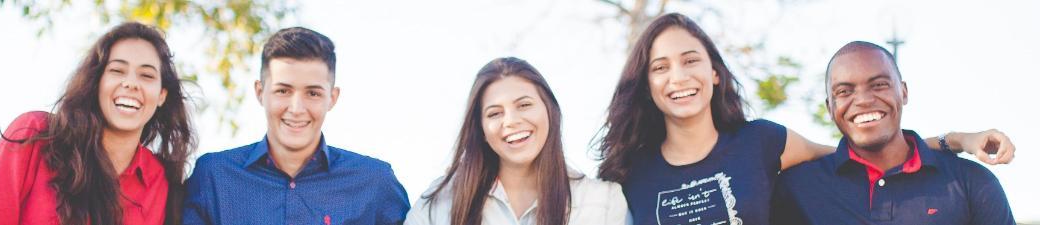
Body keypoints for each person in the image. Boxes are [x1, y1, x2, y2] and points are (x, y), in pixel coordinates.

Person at [593, 13, 1016, 225]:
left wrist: (956, 140)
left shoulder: (762, 144)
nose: (679, 77)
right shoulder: (629, 174)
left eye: (690, 60)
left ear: (714, 72)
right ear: (645, 82)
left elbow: (859, 148)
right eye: (660, 67)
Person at [0, 22, 195, 225]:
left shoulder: (162, 182)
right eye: (117, 70)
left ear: (162, 95)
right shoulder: (34, 135)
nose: (131, 83)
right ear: (97, 83)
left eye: (146, 75)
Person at [182, 27, 410, 225]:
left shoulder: (375, 182)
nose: (297, 108)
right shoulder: (214, 176)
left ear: (332, 97)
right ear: (260, 92)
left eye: (312, 93)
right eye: (283, 90)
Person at [769, 41, 1014, 224]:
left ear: (904, 92)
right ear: (830, 108)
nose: (863, 100)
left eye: (879, 85)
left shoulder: (971, 182)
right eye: (844, 91)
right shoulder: (797, 188)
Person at [404, 57, 629, 225]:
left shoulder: (603, 201)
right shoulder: (440, 201)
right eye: (494, 113)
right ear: (480, 128)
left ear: (550, 111)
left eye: (524, 105)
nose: (510, 121)